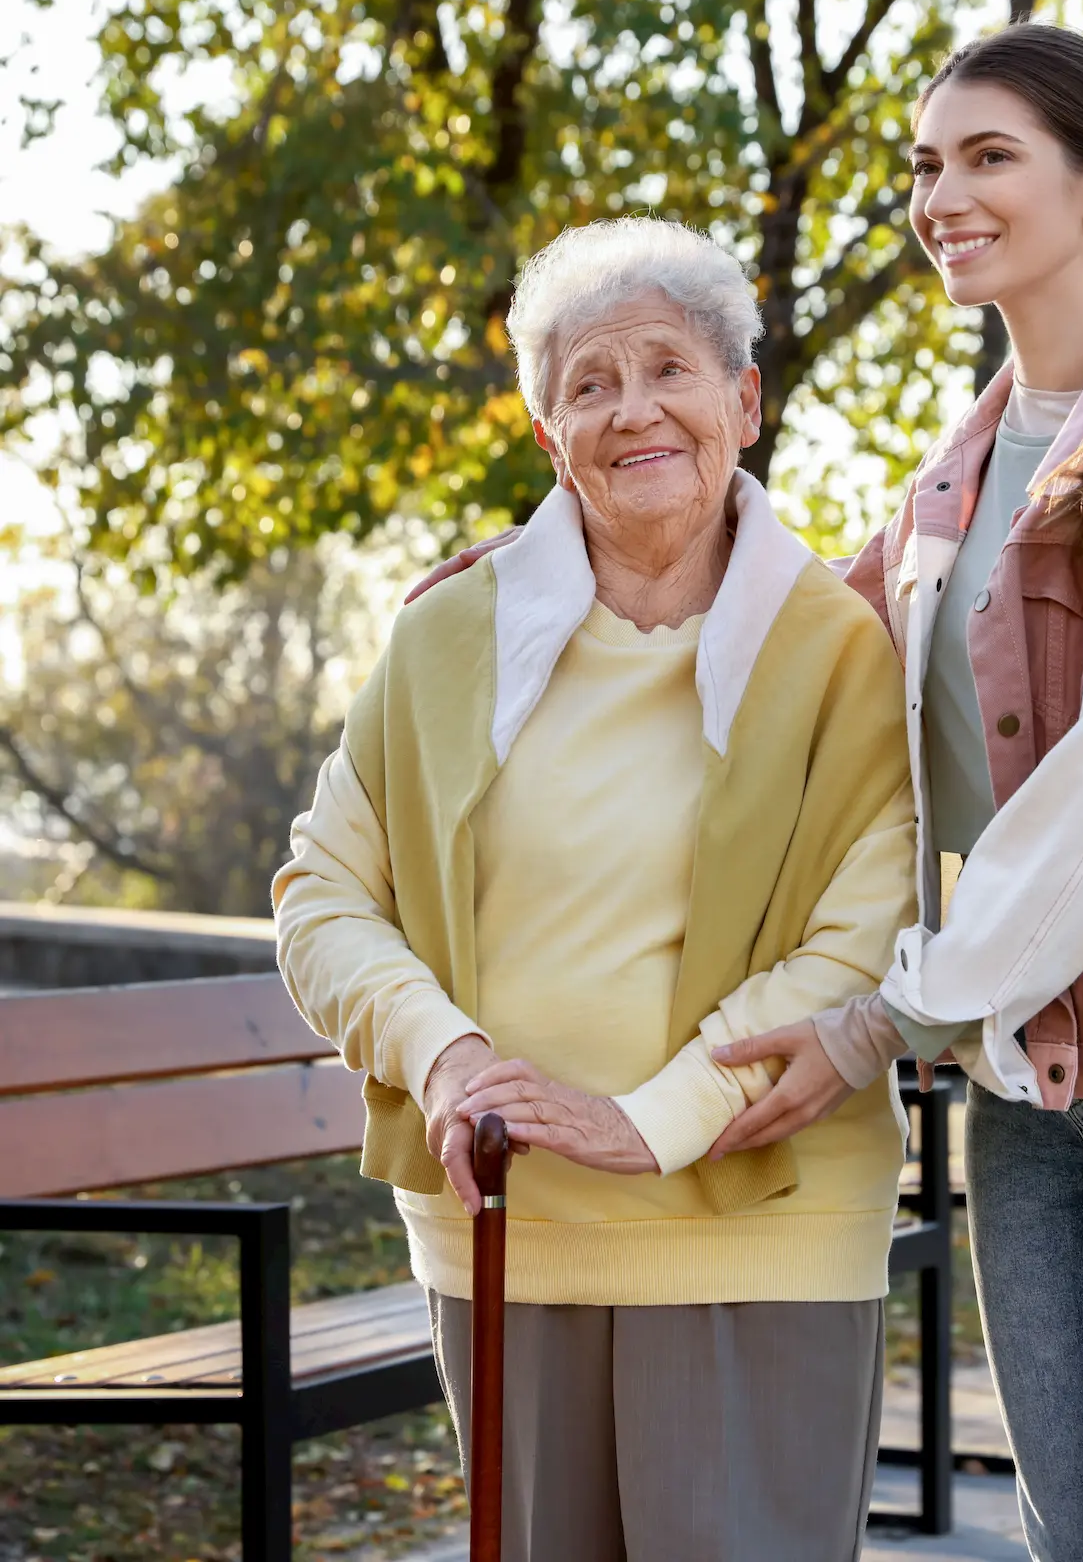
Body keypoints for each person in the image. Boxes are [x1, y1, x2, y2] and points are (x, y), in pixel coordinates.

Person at [413, 25, 1083, 1562]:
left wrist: (884, 1015)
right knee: (1075, 1538)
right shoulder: (954, 483)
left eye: (991, 157)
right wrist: (536, 572)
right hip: (1035, 1097)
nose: (944, 195)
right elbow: (779, 628)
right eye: (929, 165)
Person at [273, 217, 920, 1562]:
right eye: (588, 384)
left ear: (745, 401)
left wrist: (647, 1121)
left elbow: (868, 938)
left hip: (764, 1234)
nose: (635, 412)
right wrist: (443, 1059)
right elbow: (324, 893)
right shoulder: (448, 632)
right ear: (546, 431)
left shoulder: (845, 651)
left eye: (670, 370)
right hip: (502, 1226)